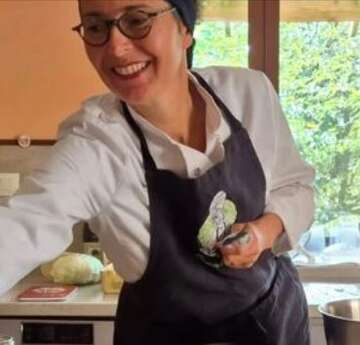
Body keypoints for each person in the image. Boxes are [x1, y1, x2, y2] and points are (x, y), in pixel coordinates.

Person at [0, 0, 315, 344]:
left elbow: (296, 187)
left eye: (138, 20)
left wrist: (263, 233)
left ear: (185, 29)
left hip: (272, 323)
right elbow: (24, 225)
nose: (116, 47)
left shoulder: (248, 93)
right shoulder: (96, 143)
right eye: (95, 27)